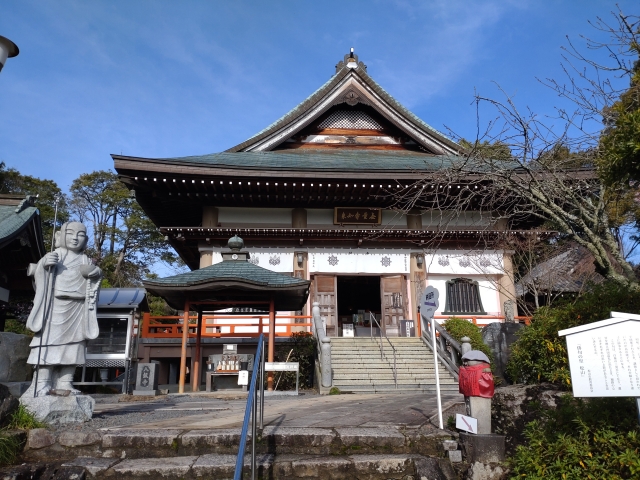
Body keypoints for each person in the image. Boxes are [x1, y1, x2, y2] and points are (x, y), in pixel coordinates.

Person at [25, 222, 101, 396]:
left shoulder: (85, 260)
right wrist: (44, 266)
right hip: (54, 306)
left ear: (86, 240)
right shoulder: (54, 256)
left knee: (75, 345)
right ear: (59, 236)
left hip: (78, 307)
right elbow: (38, 275)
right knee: (48, 343)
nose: (75, 238)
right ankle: (42, 382)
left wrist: (96, 274)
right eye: (70, 233)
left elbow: (93, 284)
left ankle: (66, 382)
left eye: (80, 235)